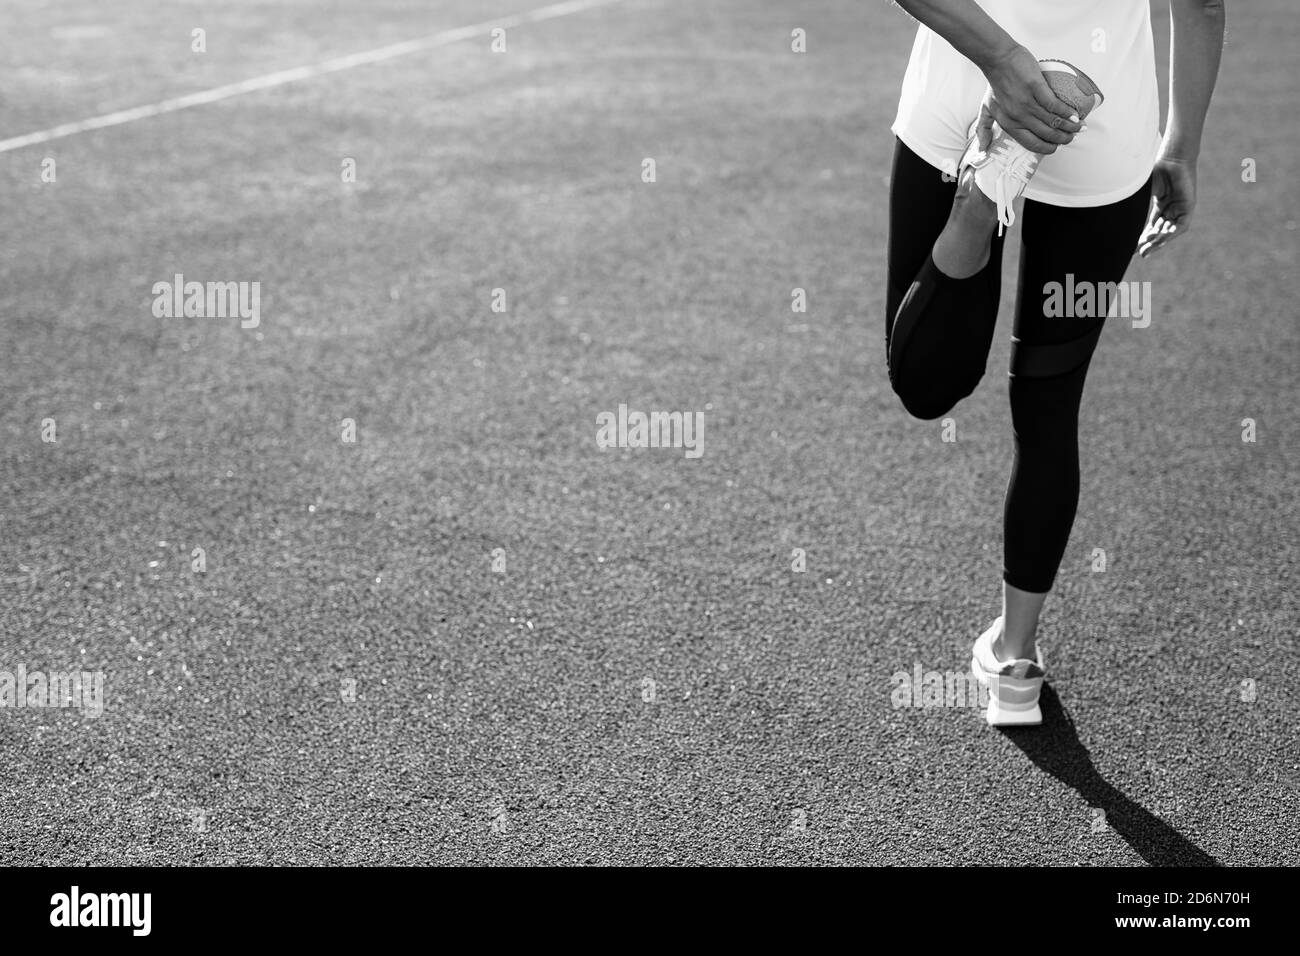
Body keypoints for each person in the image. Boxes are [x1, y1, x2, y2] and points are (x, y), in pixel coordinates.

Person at [886, 1, 1225, 725]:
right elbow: (1200, 2)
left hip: (957, 94)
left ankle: (979, 201)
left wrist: (1004, 62)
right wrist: (1181, 145)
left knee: (926, 384)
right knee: (1049, 405)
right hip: (1099, 126)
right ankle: (1015, 658)